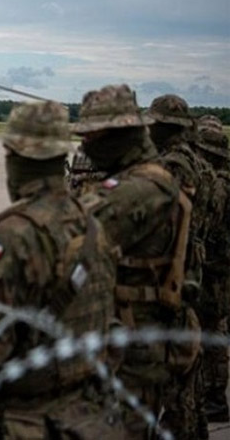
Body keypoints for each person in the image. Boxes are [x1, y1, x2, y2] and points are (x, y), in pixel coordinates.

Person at [0, 100, 121, 439]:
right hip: (85, 416)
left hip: (30, 421)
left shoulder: (17, 234)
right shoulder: (91, 222)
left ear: (17, 160)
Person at [71, 85, 198, 438]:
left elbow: (63, 237)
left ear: (119, 136)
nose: (84, 147)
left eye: (92, 138)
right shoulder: (147, 177)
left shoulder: (140, 190)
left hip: (131, 352)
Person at [145, 94, 212, 438]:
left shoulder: (172, 166)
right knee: (186, 371)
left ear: (163, 126)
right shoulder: (198, 162)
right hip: (189, 269)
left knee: (170, 376)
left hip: (170, 274)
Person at [194, 116, 230, 423]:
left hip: (215, 269)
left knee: (211, 331)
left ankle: (215, 397)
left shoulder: (218, 186)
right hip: (222, 268)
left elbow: (209, 226)